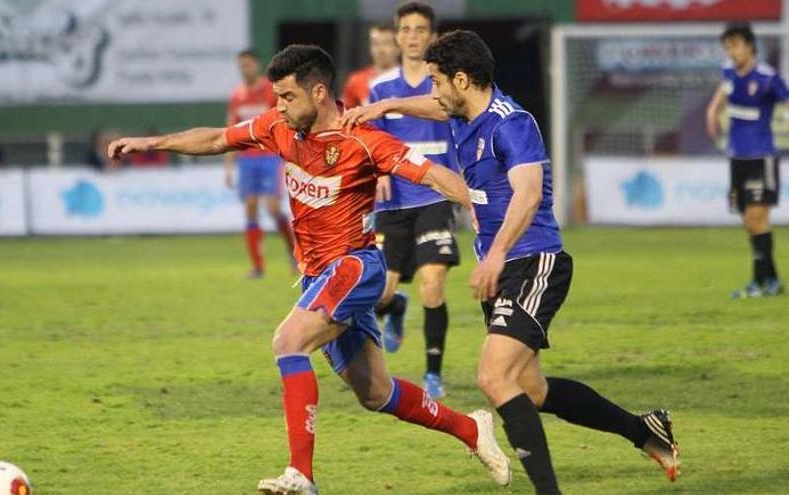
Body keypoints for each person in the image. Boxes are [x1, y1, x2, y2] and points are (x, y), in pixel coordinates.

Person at [108, 44, 510, 495]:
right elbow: (218, 138)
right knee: (376, 393)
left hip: (356, 267)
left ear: (318, 92)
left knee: (288, 340)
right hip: (320, 277)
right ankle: (472, 430)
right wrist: (153, 143)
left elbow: (432, 174)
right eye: (277, 97)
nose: (278, 106)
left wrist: (482, 209)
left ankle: (301, 475)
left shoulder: (363, 139)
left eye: (286, 96)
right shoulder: (278, 128)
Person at [342, 30, 680, 495]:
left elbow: (529, 192)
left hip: (532, 260)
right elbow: (436, 108)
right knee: (531, 389)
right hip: (503, 267)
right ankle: (645, 430)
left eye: (437, 82)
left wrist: (496, 252)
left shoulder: (511, 123)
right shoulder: (462, 111)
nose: (434, 93)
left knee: (493, 377)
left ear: (461, 79)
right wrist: (386, 107)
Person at [366, 2, 460, 399]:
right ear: (397, 35)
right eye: (406, 29)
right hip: (394, 203)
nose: (413, 36)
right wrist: (381, 172)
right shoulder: (381, 88)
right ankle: (395, 308)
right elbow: (371, 139)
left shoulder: (447, 86)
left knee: (432, 284)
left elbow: (457, 135)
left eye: (421, 29)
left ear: (433, 36)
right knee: (380, 293)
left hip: (435, 195)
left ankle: (433, 374)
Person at [706, 22, 788, 298]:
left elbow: (786, 102)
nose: (731, 51)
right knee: (748, 220)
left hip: (761, 155)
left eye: (735, 45)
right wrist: (712, 111)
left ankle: (758, 282)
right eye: (727, 46)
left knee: (757, 216)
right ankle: (772, 281)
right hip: (737, 156)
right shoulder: (728, 72)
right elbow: (722, 93)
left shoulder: (767, 77)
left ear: (750, 46)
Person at [226, 49, 295, 279]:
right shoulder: (237, 95)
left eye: (248, 64)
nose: (245, 69)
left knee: (273, 208)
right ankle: (258, 267)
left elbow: (284, 122)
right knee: (251, 208)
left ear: (256, 65)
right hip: (246, 158)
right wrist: (228, 166)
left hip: (269, 156)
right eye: (241, 65)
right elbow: (231, 130)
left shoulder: (269, 90)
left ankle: (294, 251)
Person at [341, 23, 399, 109]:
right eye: (375, 43)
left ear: (398, 48)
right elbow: (344, 113)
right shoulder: (356, 80)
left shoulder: (409, 79)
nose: (380, 49)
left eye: (386, 43)